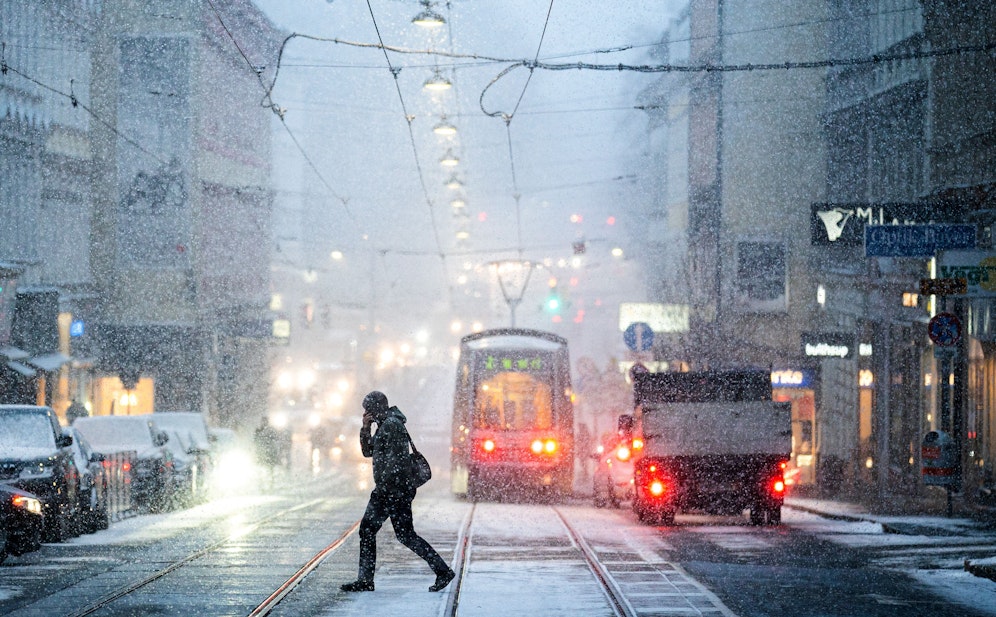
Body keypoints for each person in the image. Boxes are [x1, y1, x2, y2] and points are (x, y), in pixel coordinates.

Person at [340, 391, 455, 593]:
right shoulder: (384, 424)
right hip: (391, 490)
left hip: (393, 490)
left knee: (396, 534)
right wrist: (365, 428)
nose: (366, 413)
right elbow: (368, 452)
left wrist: (386, 490)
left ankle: (442, 571)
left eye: (368, 409)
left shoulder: (391, 425)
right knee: (383, 532)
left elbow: (396, 462)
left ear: (376, 408)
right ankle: (366, 580)